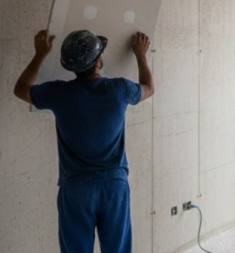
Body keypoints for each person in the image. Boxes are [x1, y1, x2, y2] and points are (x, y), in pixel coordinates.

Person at [13, 29, 154, 253]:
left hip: (77, 189)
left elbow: (21, 89)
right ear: (98, 63)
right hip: (113, 186)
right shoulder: (119, 89)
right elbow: (148, 88)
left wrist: (40, 54)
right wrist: (140, 55)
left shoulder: (60, 93)